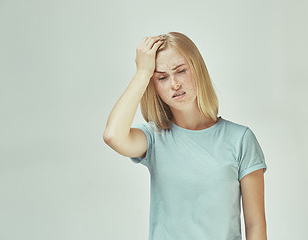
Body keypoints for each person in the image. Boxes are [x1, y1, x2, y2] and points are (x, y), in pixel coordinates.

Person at [103, 32, 268, 240]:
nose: (174, 84)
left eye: (180, 71)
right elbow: (112, 136)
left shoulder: (240, 139)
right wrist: (142, 73)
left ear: (197, 69)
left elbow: (255, 227)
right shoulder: (154, 138)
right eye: (162, 77)